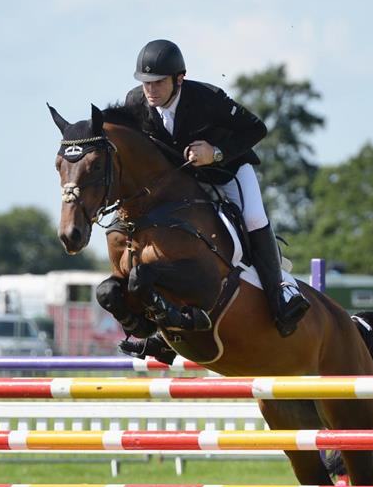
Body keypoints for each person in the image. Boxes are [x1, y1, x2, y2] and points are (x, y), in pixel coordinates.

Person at [124, 39, 310, 337]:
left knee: (252, 219)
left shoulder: (207, 97)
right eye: (146, 82)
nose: (151, 90)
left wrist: (216, 152)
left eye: (158, 82)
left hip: (228, 171)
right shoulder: (135, 103)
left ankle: (280, 293)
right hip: (183, 184)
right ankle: (159, 328)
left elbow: (256, 129)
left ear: (179, 78)